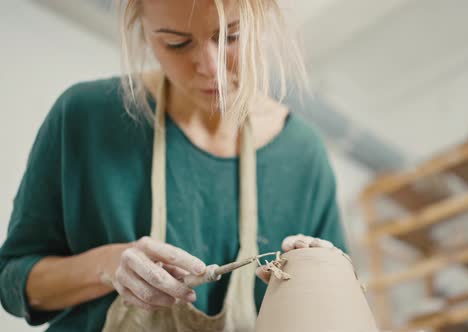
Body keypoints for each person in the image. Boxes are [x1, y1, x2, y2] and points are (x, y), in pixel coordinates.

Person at [0, 1, 348, 331]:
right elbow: (12, 283)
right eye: (177, 43)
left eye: (231, 36)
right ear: (144, 29)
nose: (210, 67)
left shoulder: (304, 155)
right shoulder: (85, 116)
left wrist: (320, 277)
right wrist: (106, 267)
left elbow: (339, 317)